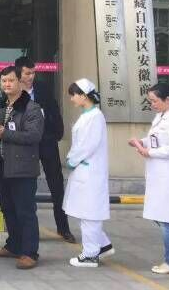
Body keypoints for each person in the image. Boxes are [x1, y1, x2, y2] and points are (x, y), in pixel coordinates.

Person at [0, 65, 44, 270]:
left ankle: (30, 252)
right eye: (3, 81)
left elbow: (34, 136)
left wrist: (5, 133)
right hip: (5, 165)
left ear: (21, 81)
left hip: (23, 168)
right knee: (8, 208)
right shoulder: (3, 105)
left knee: (25, 211)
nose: (6, 84)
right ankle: (14, 246)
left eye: (11, 80)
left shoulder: (32, 108)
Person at [16, 56, 74, 242]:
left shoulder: (42, 88)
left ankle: (63, 228)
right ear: (19, 74)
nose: (31, 77)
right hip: (25, 145)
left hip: (47, 142)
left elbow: (54, 111)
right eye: (27, 73)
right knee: (27, 187)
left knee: (56, 185)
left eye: (33, 73)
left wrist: (56, 134)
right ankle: (27, 230)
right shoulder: (13, 90)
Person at [128, 83, 169, 275]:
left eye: (154, 101)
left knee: (165, 218)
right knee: (163, 217)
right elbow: (156, 139)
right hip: (159, 174)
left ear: (168, 100)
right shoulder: (161, 116)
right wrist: (141, 142)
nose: (152, 105)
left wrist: (149, 152)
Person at [63, 78, 113, 268]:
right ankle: (103, 245)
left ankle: (91, 255)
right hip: (84, 170)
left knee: (90, 214)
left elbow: (87, 145)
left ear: (83, 96)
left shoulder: (95, 117)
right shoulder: (88, 115)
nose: (72, 99)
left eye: (73, 95)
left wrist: (72, 159)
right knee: (85, 212)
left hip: (90, 170)